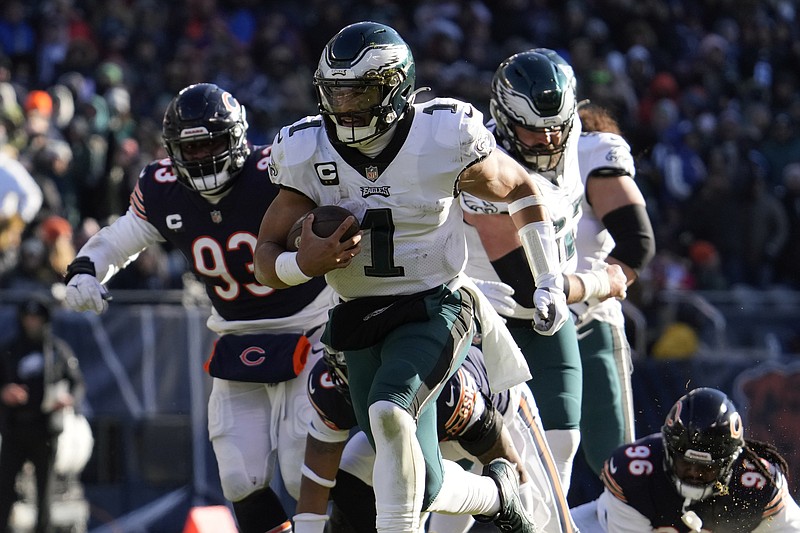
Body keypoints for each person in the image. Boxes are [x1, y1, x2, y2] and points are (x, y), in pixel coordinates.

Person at [254, 21, 569, 533]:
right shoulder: (307, 149)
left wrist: (549, 277)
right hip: (357, 317)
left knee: (388, 409)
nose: (345, 108)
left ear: (395, 87)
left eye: (360, 93)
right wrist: (302, 265)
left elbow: (519, 188)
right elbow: (264, 256)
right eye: (335, 94)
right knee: (418, 477)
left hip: (435, 304)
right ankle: (498, 496)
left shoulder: (442, 135)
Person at [62, 83, 336, 533]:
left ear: (238, 138)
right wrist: (85, 268)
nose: (203, 157)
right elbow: (122, 237)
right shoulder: (162, 186)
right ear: (172, 150)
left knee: (298, 464)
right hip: (236, 339)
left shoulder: (278, 169)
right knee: (238, 475)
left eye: (212, 142)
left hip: (311, 328)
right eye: (191, 148)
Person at [460, 49, 628, 493]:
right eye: (534, 132)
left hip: (550, 319)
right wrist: (598, 282)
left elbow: (638, 243)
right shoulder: (484, 161)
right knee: (467, 456)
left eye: (557, 128)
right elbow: (524, 284)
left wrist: (581, 284)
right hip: (488, 319)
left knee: (561, 444)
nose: (549, 141)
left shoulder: (580, 144)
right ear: (504, 117)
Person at [295, 344, 576, 533]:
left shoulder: (445, 384)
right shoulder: (330, 388)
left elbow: (506, 460)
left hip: (496, 421)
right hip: (410, 435)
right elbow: (317, 478)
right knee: (347, 472)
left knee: (544, 522)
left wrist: (519, 509)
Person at [570, 387, 800, 532]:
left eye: (706, 468)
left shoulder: (758, 485)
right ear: (668, 450)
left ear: (729, 461)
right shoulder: (636, 474)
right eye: (685, 463)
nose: (694, 473)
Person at [571, 101, 655, 478]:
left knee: (613, 461)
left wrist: (592, 286)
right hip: (508, 318)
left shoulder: (590, 151)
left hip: (583, 318)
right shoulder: (492, 146)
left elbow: (637, 243)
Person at [0, 296, 85, 533]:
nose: (32, 322)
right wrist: (4, 392)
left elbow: (77, 384)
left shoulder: (57, 350)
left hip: (46, 429)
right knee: (5, 488)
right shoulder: (9, 349)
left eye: (36, 318)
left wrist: (68, 399)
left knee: (44, 490)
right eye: (28, 318)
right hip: (15, 427)